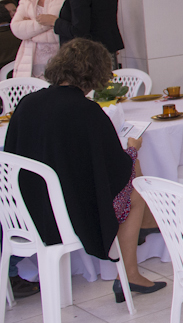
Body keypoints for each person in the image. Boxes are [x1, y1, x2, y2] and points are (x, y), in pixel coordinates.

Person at [3, 39, 167, 301]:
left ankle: (143, 242)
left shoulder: (27, 103)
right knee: (134, 192)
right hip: (65, 214)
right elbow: (115, 169)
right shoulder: (87, 111)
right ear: (96, 73)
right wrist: (133, 149)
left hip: (23, 210)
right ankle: (130, 274)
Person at [10, 0, 67, 79]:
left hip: (61, 59)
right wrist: (49, 22)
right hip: (29, 61)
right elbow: (17, 29)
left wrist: (29, 31)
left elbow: (67, 30)